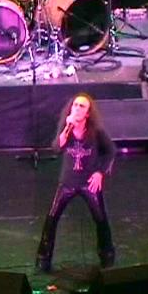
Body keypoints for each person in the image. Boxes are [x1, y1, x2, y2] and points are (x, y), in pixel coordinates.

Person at [36, 93, 116, 271]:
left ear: (88, 113)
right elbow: (56, 148)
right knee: (51, 218)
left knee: (100, 218)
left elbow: (110, 151)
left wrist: (100, 172)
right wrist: (67, 128)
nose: (77, 109)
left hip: (88, 183)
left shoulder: (96, 132)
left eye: (82, 106)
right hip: (68, 182)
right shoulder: (67, 127)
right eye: (75, 105)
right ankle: (43, 258)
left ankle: (107, 255)